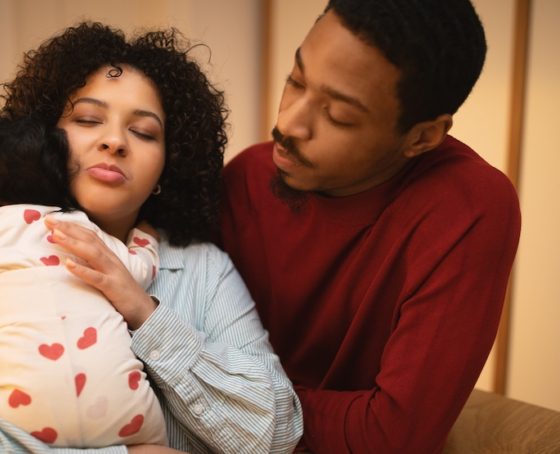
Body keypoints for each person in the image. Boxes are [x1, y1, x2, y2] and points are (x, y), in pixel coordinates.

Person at [0, 22, 303, 454]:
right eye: (88, 119)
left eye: (143, 131)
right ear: (44, 140)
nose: (114, 141)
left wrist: (144, 312)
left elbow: (274, 434)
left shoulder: (204, 269)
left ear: (169, 165)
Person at [220, 0, 520, 453]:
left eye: (338, 115)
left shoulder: (466, 207)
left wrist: (226, 394)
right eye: (295, 81)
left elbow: (393, 438)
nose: (288, 123)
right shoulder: (246, 179)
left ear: (421, 138)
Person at [0, 114, 167, 447]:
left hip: (29, 421)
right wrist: (145, 238)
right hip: (129, 411)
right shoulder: (83, 229)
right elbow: (139, 272)